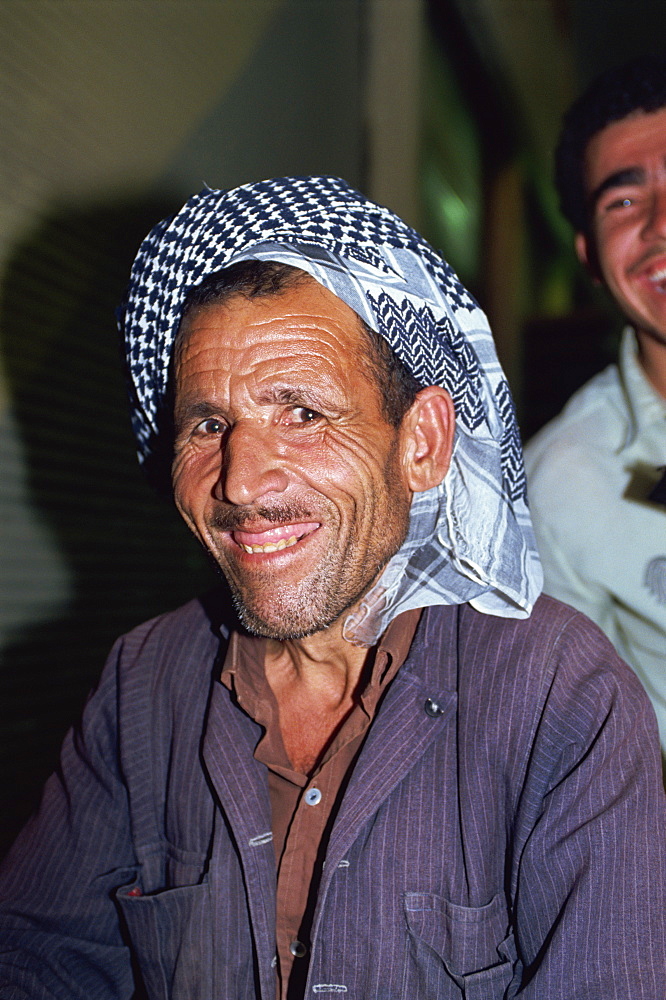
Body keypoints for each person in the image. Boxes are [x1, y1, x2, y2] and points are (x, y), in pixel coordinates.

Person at [0, 176, 664, 999]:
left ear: (421, 442)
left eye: (302, 414)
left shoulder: (559, 694)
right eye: (207, 424)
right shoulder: (142, 683)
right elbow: (40, 958)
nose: (240, 480)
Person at [524, 57, 666, 752]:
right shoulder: (562, 482)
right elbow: (600, 765)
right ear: (588, 256)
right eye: (624, 201)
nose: (662, 225)